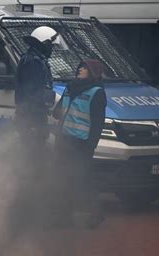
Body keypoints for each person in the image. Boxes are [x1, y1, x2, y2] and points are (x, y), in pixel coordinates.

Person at [52, 59, 107, 228]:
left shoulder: (97, 92)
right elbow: (56, 112)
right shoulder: (70, 88)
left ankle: (96, 214)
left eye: (85, 68)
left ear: (92, 72)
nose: (80, 70)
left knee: (82, 180)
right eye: (80, 67)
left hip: (81, 144)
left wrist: (90, 147)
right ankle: (64, 216)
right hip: (64, 141)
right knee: (63, 179)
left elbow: (98, 124)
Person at [14, 26, 61, 148]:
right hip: (31, 118)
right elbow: (32, 93)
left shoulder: (36, 60)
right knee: (33, 156)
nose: (51, 50)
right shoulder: (33, 63)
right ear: (43, 43)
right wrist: (54, 97)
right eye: (51, 46)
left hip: (33, 117)